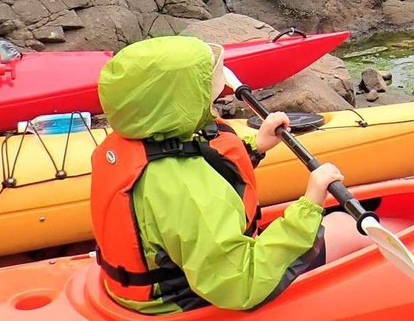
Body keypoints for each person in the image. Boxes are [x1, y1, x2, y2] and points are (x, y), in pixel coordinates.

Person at [90, 35, 345, 313]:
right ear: (181, 97)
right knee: (346, 228)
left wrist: (255, 148)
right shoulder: (190, 190)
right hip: (186, 300)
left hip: (150, 285)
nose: (219, 85)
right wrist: (311, 203)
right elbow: (239, 283)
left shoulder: (135, 141)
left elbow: (195, 166)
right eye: (206, 85)